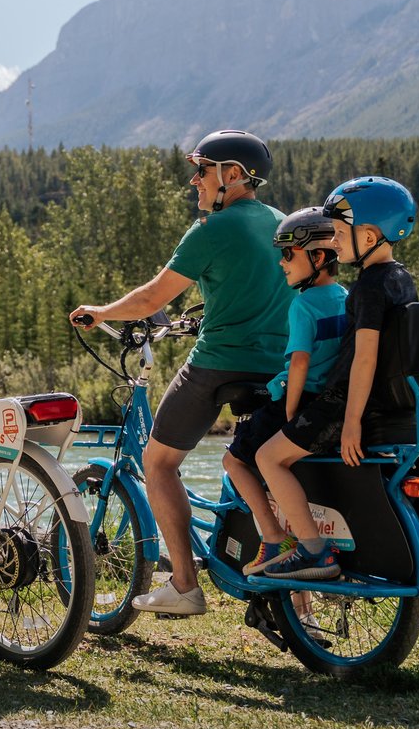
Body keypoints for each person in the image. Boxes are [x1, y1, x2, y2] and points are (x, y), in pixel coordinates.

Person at [70, 129, 293, 616]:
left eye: (202, 170)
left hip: (220, 362)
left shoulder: (212, 230)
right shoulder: (281, 223)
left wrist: (103, 312)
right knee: (259, 464)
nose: (194, 181)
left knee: (159, 462)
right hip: (278, 368)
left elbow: (153, 299)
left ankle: (185, 584)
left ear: (232, 175)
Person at [255, 176, 418, 581]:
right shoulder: (399, 278)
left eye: (340, 235)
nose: (334, 243)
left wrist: (349, 424)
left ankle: (313, 551)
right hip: (394, 403)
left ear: (368, 235)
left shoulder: (367, 287)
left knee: (267, 458)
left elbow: (365, 358)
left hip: (342, 404)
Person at [221, 207, 348, 576]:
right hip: (332, 403)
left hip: (301, 400)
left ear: (319, 257)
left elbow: (299, 365)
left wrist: (290, 413)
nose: (281, 263)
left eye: (288, 254)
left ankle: (280, 537)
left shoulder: (304, 305)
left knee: (237, 460)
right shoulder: (345, 297)